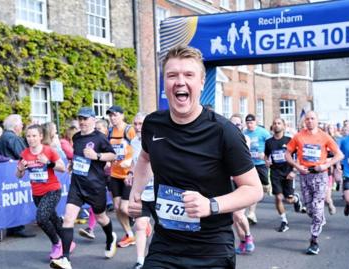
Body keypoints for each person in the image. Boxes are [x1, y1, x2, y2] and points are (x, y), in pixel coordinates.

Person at [128, 45, 263, 268]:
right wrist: (136, 193)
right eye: (172, 75)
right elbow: (144, 158)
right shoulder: (153, 124)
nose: (180, 81)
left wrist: (211, 205)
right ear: (165, 84)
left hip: (211, 247)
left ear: (201, 83)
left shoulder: (224, 131)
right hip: (165, 244)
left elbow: (254, 189)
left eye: (188, 75)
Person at [50, 107, 117, 269]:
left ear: (93, 120)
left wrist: (97, 156)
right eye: (80, 118)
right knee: (68, 218)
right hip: (77, 184)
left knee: (101, 218)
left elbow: (113, 155)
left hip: (95, 186)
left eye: (85, 119)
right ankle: (65, 259)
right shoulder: (77, 137)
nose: (82, 122)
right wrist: (73, 164)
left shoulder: (100, 138)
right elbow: (78, 155)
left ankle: (110, 237)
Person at [285, 111, 344, 255]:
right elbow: (287, 153)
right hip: (305, 176)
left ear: (317, 120)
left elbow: (339, 154)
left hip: (320, 175)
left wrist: (326, 165)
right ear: (304, 121)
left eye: (312, 118)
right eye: (307, 119)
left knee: (317, 209)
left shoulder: (324, 136)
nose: (310, 121)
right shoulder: (299, 136)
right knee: (311, 210)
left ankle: (314, 241)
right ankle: (319, 218)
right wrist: (297, 166)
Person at [15, 124, 71, 260]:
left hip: (52, 190)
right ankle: (68, 242)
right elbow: (18, 175)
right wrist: (21, 169)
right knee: (53, 218)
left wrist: (48, 162)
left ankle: (57, 244)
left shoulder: (48, 151)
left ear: (40, 136)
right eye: (28, 136)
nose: (31, 139)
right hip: (36, 193)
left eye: (34, 136)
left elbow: (62, 168)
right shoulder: (25, 153)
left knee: (41, 218)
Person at [0, 114, 35, 238]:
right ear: (15, 126)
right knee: (17, 199)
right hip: (15, 173)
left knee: (13, 200)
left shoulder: (5, 136)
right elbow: (22, 153)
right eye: (21, 124)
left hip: (9, 173)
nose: (22, 126)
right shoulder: (11, 137)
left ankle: (14, 227)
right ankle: (17, 227)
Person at [264, 118, 303, 233]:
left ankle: (296, 199)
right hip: (275, 172)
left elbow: (298, 157)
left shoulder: (289, 140)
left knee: (289, 200)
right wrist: (267, 161)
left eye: (279, 123)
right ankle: (284, 221)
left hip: (288, 172)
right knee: (278, 197)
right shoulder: (269, 142)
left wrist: (294, 171)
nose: (276, 125)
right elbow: (266, 156)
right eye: (274, 123)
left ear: (284, 126)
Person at [106, 105, 137, 248]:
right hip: (115, 174)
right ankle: (130, 235)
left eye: (115, 115)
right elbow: (109, 150)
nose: (113, 118)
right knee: (117, 207)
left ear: (122, 116)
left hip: (129, 175)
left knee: (125, 208)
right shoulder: (110, 131)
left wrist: (130, 161)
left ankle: (143, 220)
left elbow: (139, 149)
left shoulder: (129, 130)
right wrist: (107, 160)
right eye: (111, 115)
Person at [129, 112, 155, 269]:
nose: (138, 127)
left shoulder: (156, 140)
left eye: (141, 124)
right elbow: (135, 162)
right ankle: (140, 261)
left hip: (158, 191)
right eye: (136, 124)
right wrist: (131, 173)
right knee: (139, 225)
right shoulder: (134, 142)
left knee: (165, 229)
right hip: (142, 192)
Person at [78, 118, 110, 239]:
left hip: (117, 175)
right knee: (95, 203)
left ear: (106, 131)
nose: (96, 131)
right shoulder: (91, 141)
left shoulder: (110, 141)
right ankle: (90, 228)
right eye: (95, 129)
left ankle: (140, 222)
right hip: (98, 177)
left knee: (121, 207)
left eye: (99, 129)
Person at [229, 114, 255, 255]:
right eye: (232, 124)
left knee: (239, 214)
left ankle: (249, 236)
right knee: (234, 217)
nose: (235, 127)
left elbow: (242, 157)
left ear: (242, 126)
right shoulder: (222, 139)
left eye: (238, 124)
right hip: (229, 181)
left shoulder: (245, 139)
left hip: (242, 180)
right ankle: (243, 241)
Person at [244, 113, 271, 224]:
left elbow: (271, 144)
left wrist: (265, 154)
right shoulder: (244, 133)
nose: (250, 125)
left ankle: (267, 186)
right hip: (250, 164)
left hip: (261, 163)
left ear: (256, 122)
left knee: (264, 185)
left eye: (252, 122)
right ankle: (251, 213)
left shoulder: (262, 132)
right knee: (253, 188)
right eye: (248, 123)